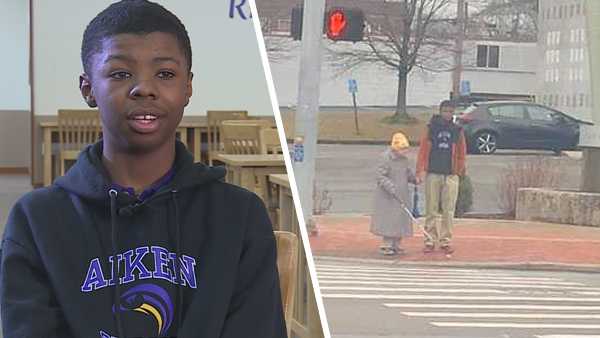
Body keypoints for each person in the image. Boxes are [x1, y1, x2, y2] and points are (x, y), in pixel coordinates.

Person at [0, 1, 287, 337]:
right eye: (121, 74)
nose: (144, 88)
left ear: (188, 88)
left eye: (164, 74)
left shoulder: (239, 216)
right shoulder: (36, 221)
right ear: (88, 88)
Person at [416, 100, 467, 255]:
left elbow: (461, 152)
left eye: (450, 112)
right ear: (440, 111)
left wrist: (458, 170)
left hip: (450, 174)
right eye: (445, 111)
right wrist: (420, 170)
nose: (447, 114)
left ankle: (446, 240)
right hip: (433, 172)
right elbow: (424, 149)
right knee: (431, 209)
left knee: (448, 210)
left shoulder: (457, 130)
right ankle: (429, 239)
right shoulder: (431, 128)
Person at [370, 132, 416, 256]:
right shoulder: (385, 158)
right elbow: (380, 176)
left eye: (406, 149)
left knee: (400, 219)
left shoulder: (404, 160)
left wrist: (414, 179)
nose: (405, 152)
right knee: (389, 219)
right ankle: (387, 243)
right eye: (403, 149)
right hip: (388, 195)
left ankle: (397, 243)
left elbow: (407, 173)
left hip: (402, 193)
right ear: (396, 148)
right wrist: (390, 187)